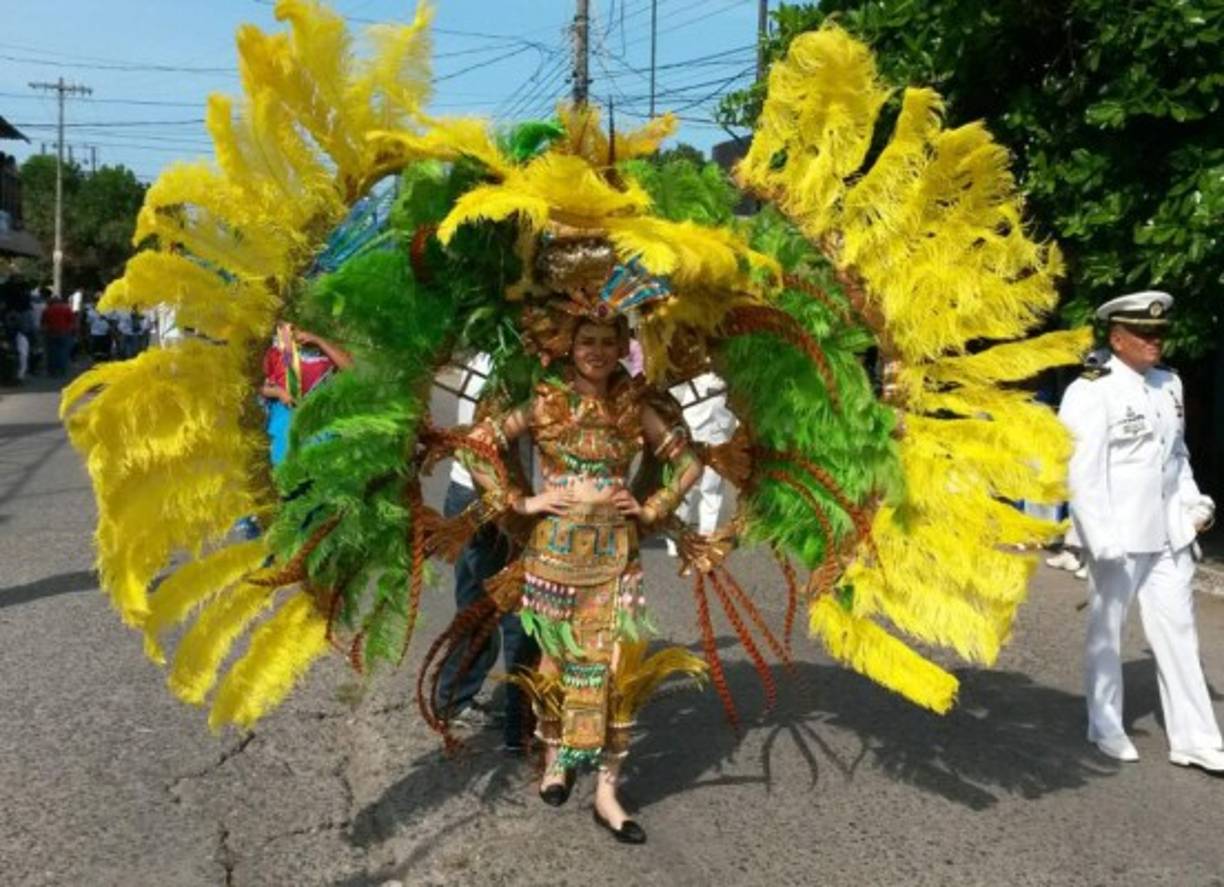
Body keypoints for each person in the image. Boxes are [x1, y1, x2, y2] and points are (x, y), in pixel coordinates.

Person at [454, 260, 701, 844]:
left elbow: (688, 463)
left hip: (616, 557)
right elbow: (476, 446)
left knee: (617, 668)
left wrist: (651, 508)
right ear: (570, 343)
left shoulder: (634, 404)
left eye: (607, 341)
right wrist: (523, 500)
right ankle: (557, 761)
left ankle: (608, 793)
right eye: (586, 340)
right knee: (555, 660)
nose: (596, 351)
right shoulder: (545, 402)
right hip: (554, 555)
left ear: (621, 346)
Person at [1059, 290, 1222, 772]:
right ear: (1117, 338)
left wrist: (1193, 503)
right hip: (1119, 536)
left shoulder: (1169, 384)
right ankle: (1105, 725)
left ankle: (1195, 738)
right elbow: (1082, 473)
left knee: (1180, 632)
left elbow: (1176, 456)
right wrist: (1100, 538)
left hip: (1169, 534)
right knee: (1107, 631)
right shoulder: (1091, 390)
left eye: (1159, 333)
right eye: (1144, 334)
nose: (1155, 341)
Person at [433, 353, 540, 753]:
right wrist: (516, 504)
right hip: (488, 500)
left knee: (480, 605)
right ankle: (518, 721)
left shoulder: (488, 355)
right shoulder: (503, 365)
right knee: (512, 610)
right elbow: (478, 447)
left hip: (474, 495)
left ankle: (457, 699)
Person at [260, 322, 353, 466]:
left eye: (293, 328)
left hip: (317, 412)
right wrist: (278, 393)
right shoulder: (278, 353)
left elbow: (351, 370)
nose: (290, 332)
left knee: (323, 454)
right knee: (285, 455)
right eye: (285, 329)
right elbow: (259, 386)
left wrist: (318, 340)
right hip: (285, 411)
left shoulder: (326, 353)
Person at [666, 371, 736, 556]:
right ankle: (678, 538)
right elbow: (674, 390)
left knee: (711, 490)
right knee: (685, 488)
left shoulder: (729, 373)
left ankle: (705, 537)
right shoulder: (692, 372)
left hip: (719, 438)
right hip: (692, 435)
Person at [40, 295, 77, 377]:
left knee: (51, 353)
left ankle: (52, 371)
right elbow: (72, 322)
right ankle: (62, 370)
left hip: (51, 333)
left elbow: (43, 323)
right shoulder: (67, 309)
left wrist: (44, 332)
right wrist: (72, 332)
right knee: (63, 352)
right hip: (64, 333)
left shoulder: (47, 310)